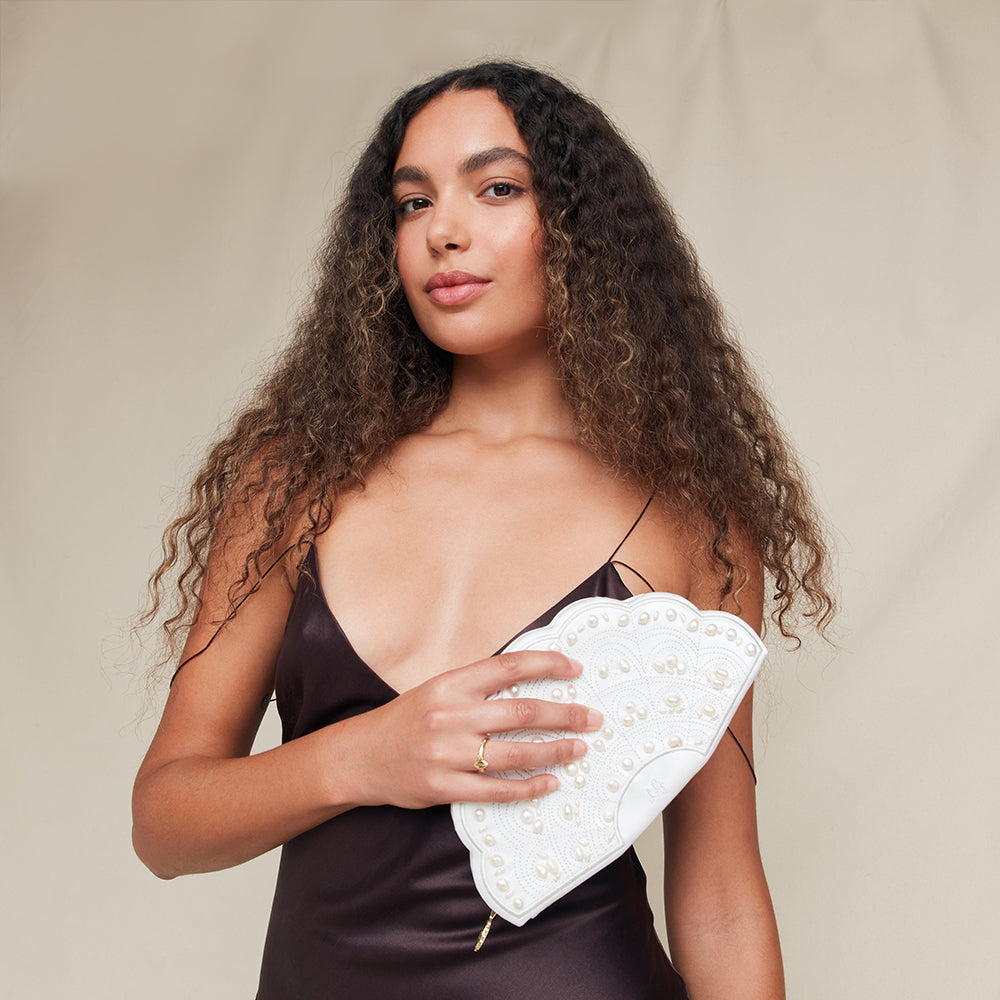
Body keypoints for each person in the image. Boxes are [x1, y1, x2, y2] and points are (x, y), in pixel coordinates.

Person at [133, 61, 834, 999]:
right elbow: (166, 824)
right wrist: (364, 755)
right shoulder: (294, 482)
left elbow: (719, 893)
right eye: (412, 204)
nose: (444, 232)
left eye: (497, 188)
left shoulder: (690, 518)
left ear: (582, 229)